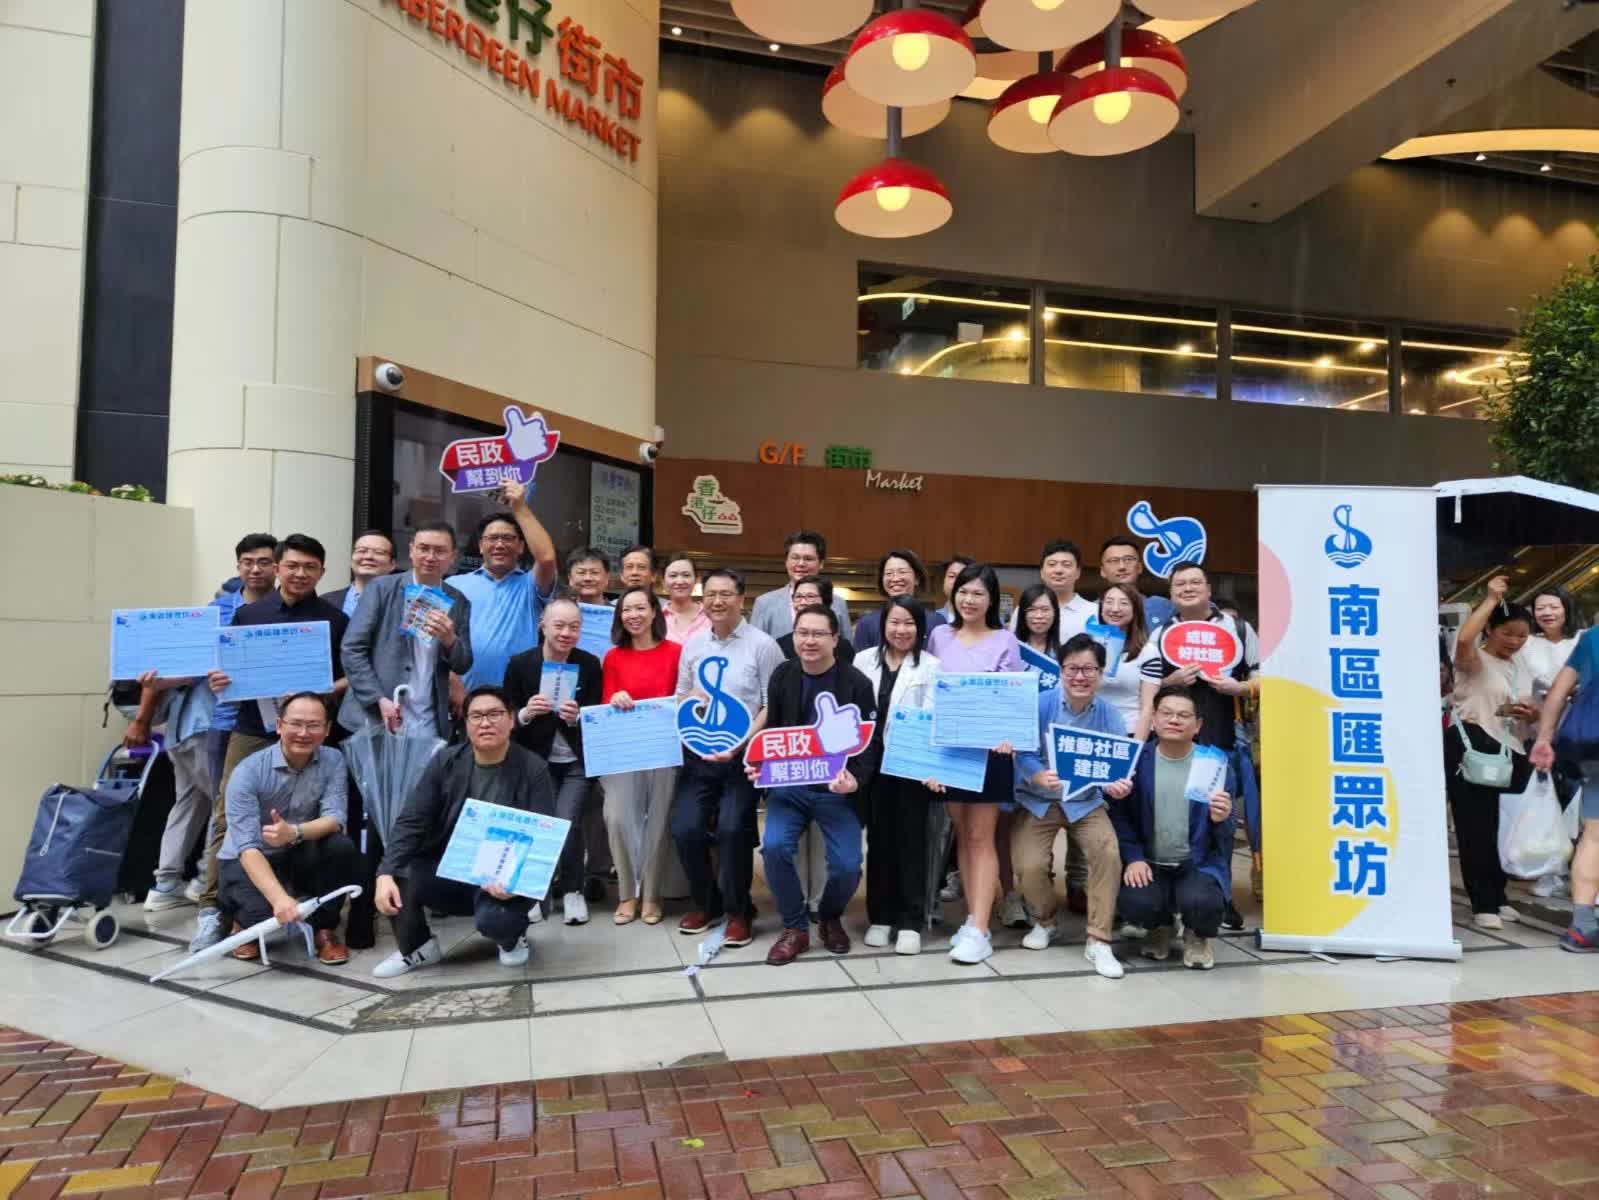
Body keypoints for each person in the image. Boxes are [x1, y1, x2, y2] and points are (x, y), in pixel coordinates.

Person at [191, 534, 349, 951]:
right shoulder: (248, 615)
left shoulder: (334, 620)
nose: (300, 574)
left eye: (310, 567)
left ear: (322, 572)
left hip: (306, 729)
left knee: (313, 814)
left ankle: (309, 908)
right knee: (226, 817)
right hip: (252, 729)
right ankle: (213, 911)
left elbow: (350, 675)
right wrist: (220, 680)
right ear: (278, 567)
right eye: (292, 565)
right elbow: (226, 670)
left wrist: (322, 690)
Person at [371, 686, 555, 976]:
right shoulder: (446, 761)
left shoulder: (534, 768)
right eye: (476, 716)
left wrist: (515, 883)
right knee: (399, 868)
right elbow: (413, 820)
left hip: (504, 875)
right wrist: (385, 873)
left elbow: (545, 839)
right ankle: (417, 947)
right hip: (453, 867)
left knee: (495, 921)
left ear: (511, 719)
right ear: (466, 723)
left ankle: (511, 937)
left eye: (495, 714)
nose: (485, 723)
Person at [754, 605, 881, 964]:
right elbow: (774, 732)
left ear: (835, 639)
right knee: (774, 848)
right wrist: (760, 767)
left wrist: (855, 779)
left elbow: (870, 741)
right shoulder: (783, 675)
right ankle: (795, 927)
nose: (809, 641)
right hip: (790, 787)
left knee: (847, 866)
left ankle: (829, 916)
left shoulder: (857, 683)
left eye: (818, 634)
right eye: (802, 633)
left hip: (835, 789)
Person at [671, 568, 785, 949]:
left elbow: (771, 705)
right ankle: (708, 903)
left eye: (726, 594)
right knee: (685, 828)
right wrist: (691, 702)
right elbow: (681, 695)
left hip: (743, 757)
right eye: (710, 594)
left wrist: (741, 743)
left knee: (734, 829)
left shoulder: (763, 645)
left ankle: (739, 911)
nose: (717, 601)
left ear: (741, 599)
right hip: (699, 753)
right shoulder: (694, 645)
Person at [925, 563, 1025, 965]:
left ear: (991, 599)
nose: (969, 600)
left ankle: (981, 929)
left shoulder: (1005, 640)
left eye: (978, 593)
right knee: (963, 835)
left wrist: (1010, 737)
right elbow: (929, 692)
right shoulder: (939, 636)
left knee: (982, 837)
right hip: (950, 751)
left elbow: (1013, 699)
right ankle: (972, 917)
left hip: (990, 753)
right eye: (963, 592)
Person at [1012, 635, 1128, 978]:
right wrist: (1037, 775)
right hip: (1039, 800)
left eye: (1088, 669)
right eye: (1072, 668)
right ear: (1061, 670)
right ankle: (1045, 921)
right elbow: (1023, 752)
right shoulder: (1040, 705)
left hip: (1085, 802)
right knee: (1029, 864)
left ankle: (1099, 939)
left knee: (1108, 852)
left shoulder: (1109, 714)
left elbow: (1118, 764)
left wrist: (1117, 783)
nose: (1080, 676)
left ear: (1101, 673)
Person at [215, 693, 361, 964]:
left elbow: (335, 819)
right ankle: (242, 922)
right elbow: (247, 848)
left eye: (313, 725)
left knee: (340, 846)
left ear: (327, 729)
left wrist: (294, 832)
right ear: (279, 726)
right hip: (250, 859)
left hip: (298, 850)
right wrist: (280, 899)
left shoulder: (333, 760)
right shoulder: (248, 772)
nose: (304, 733)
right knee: (266, 916)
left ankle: (324, 929)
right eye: (296, 724)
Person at [1111, 684, 1236, 970]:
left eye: (1183, 715)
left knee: (1203, 902)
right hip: (1150, 861)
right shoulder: (1136, 762)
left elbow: (1227, 831)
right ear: (1153, 720)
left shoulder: (1214, 764)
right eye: (1166, 713)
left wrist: (1221, 819)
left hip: (1196, 863)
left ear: (1198, 725)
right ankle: (1160, 926)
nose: (1174, 720)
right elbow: (1120, 817)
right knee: (1136, 900)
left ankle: (1197, 934)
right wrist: (1134, 858)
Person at [502, 595, 603, 924]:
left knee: (567, 822)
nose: (566, 633)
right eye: (559, 625)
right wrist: (527, 713)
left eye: (574, 627)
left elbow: (596, 715)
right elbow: (508, 715)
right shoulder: (521, 663)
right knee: (537, 823)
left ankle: (573, 890)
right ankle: (534, 892)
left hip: (575, 762)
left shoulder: (589, 664)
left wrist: (578, 717)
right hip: (534, 761)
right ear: (542, 625)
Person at [854, 597, 942, 955]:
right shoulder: (863, 660)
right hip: (870, 767)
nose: (901, 630)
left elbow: (934, 719)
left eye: (909, 623)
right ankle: (880, 916)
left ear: (920, 628)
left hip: (910, 768)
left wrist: (930, 767)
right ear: (883, 625)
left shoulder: (932, 666)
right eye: (894, 622)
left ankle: (909, 920)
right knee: (878, 842)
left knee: (911, 842)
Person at [1449, 576, 1536, 930]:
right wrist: (1489, 599)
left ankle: (1499, 896)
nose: (1515, 641)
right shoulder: (1473, 659)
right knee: (1476, 826)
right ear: (1490, 629)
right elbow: (1464, 639)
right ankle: (1482, 901)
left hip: (1511, 747)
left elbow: (1527, 703)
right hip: (1474, 743)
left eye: (1522, 636)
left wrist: (1531, 712)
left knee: (1503, 829)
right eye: (1508, 634)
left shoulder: (1520, 665)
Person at [339, 521, 473, 739]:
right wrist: (377, 698)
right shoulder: (381, 588)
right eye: (423, 548)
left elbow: (463, 663)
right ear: (411, 550)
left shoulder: (458, 600)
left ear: (453, 556)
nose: (430, 557)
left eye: (439, 551)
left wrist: (450, 640)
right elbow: (352, 648)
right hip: (376, 713)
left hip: (428, 718)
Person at [599, 586, 684, 925]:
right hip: (623, 751)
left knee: (658, 821)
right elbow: (605, 702)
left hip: (663, 749)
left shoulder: (676, 653)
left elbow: (683, 698)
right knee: (617, 817)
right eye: (626, 609)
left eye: (640, 608)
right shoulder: (613, 657)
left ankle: (651, 894)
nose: (633, 615)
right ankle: (627, 893)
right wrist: (615, 698)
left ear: (654, 612)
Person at [450, 481, 559, 692]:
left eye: (508, 538)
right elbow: (437, 641)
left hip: (518, 698)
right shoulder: (454, 585)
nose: (499, 544)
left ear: (521, 546)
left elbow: (546, 558)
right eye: (492, 538)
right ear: (481, 546)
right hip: (464, 698)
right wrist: (451, 684)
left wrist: (520, 507)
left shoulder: (530, 584)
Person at [125, 664, 216, 912]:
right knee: (225, 805)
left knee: (187, 805)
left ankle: (165, 885)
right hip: (206, 723)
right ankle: (205, 881)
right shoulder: (204, 643)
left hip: (179, 731)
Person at [1531, 621, 1599, 952]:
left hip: (1594, 748)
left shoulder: (1593, 638)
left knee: (1595, 835)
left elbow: (1558, 691)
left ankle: (1583, 926)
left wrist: (1544, 739)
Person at [1519, 586, 1581, 897]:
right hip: (1538, 734)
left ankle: (1582, 872)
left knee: (1579, 805)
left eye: (1553, 606)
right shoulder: (1527, 644)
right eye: (1540, 607)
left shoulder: (1581, 640)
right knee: (1547, 803)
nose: (1547, 613)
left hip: (1579, 734)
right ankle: (1551, 872)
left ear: (1566, 608)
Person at [751, 531, 852, 638]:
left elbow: (846, 645)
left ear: (821, 563)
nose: (801, 564)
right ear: (786, 561)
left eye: (808, 559)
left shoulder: (838, 603)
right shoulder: (764, 603)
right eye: (795, 557)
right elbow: (755, 645)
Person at [1094, 583, 1157, 736]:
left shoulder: (1148, 652)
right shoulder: (1088, 645)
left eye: (1124, 603)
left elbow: (1148, 707)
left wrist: (1137, 744)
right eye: (1109, 602)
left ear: (1135, 609)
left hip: (1129, 731)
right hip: (1089, 731)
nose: (1115, 609)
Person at [853, 549, 948, 651]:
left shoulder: (936, 621)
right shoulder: (867, 623)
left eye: (902, 572)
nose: (895, 579)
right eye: (889, 573)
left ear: (917, 578)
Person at [1012, 540, 1094, 642]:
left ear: (1078, 572)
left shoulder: (1093, 612)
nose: (1058, 570)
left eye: (1066, 565)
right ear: (1042, 572)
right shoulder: (1024, 610)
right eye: (1052, 564)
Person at [777, 577, 856, 664]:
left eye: (810, 596)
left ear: (826, 601)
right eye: (798, 596)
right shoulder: (781, 644)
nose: (802, 602)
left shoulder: (843, 647)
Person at [1100, 536, 1173, 627]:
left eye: (1129, 559)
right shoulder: (1092, 609)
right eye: (1114, 561)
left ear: (1140, 567)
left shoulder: (1161, 606)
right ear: (1102, 571)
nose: (1122, 567)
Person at [323, 530, 396, 618]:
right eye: (361, 551)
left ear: (392, 564)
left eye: (379, 552)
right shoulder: (325, 601)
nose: (368, 556)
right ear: (351, 560)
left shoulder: (406, 602)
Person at [662, 554, 709, 644]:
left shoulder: (710, 615)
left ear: (696, 580)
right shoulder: (655, 618)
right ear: (663, 582)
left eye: (686, 575)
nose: (680, 581)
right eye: (673, 575)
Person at [1015, 584, 1062, 664]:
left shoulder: (1063, 654)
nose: (1039, 616)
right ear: (1023, 614)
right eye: (1031, 609)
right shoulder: (1009, 647)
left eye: (1045, 609)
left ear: (1055, 613)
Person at [936, 555, 974, 624]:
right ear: (943, 581)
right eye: (952, 576)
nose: (956, 581)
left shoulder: (988, 622)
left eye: (962, 576)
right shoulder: (932, 620)